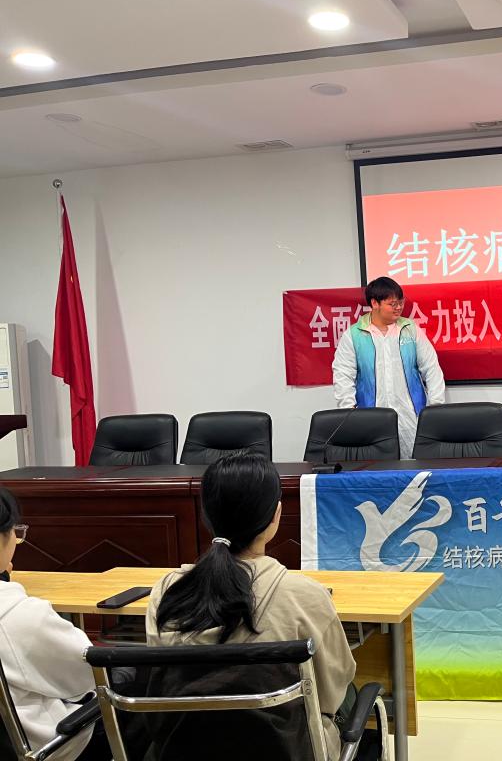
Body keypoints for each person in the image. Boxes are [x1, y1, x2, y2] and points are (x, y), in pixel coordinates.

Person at [146, 452, 356, 760]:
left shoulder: (167, 591)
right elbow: (330, 693)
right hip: (289, 750)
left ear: (206, 515)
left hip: (183, 750)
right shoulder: (307, 596)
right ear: (276, 516)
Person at [0, 487, 110, 760]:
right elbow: (85, 676)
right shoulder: (18, 615)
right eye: (15, 531)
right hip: (45, 748)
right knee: (131, 685)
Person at [332, 276, 445, 458]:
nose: (398, 307)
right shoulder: (354, 335)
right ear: (374, 303)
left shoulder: (410, 329)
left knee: (416, 465)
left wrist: (435, 408)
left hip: (411, 416)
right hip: (370, 417)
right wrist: (349, 412)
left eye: (401, 302)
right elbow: (343, 375)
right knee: (376, 467)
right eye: (392, 304)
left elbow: (431, 368)